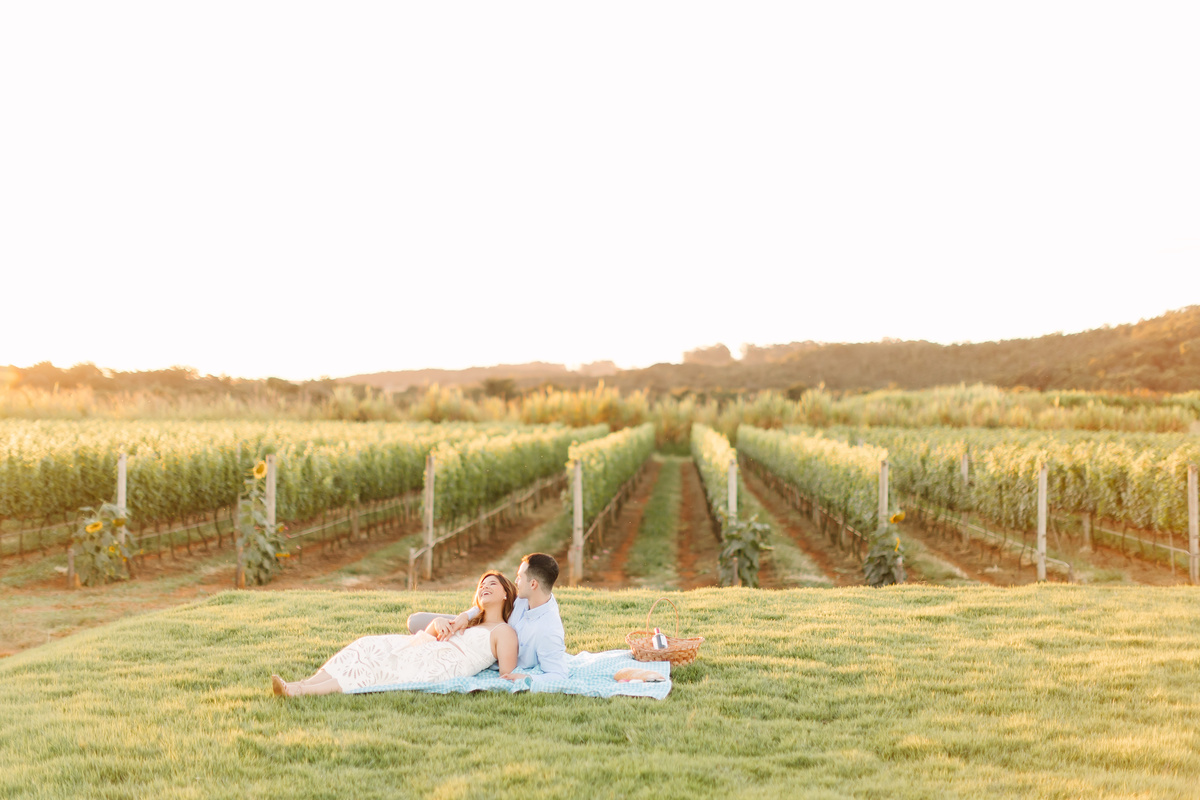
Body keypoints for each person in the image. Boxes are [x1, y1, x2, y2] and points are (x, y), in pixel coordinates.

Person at [271, 571, 518, 697]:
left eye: (492, 584)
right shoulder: (468, 621)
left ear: (506, 593)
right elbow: (432, 635)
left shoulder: (503, 631)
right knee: (366, 646)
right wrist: (439, 622)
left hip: (445, 663)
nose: (484, 587)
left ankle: (299, 692)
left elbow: (507, 674)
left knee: (376, 667)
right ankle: (302, 684)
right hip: (428, 647)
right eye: (481, 585)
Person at [406, 553, 568, 688]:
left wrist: (527, 679)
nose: (516, 581)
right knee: (416, 621)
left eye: (519, 577)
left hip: (485, 650)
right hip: (482, 629)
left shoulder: (549, 630)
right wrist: (466, 616)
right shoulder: (525, 598)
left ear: (533, 584)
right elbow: (495, 596)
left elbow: (558, 675)